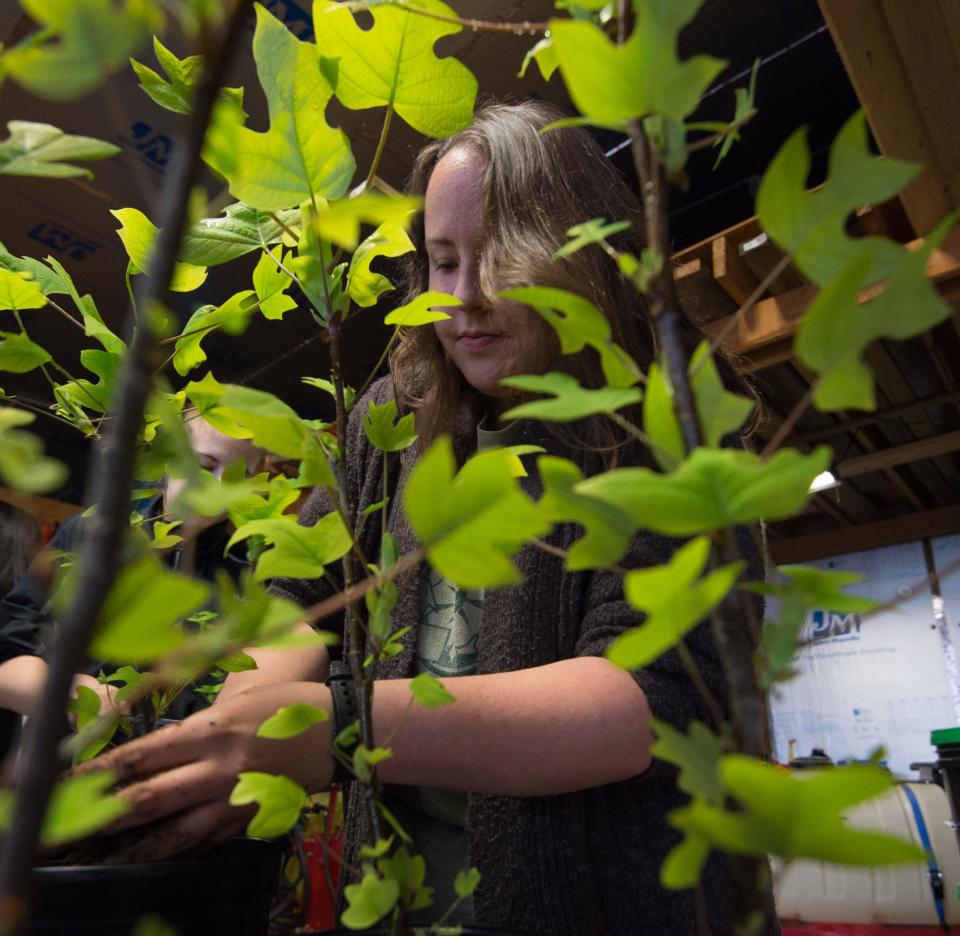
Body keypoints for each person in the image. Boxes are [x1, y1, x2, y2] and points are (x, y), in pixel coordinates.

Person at [84, 102, 761, 935]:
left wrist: (339, 731)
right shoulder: (392, 418)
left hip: (600, 905)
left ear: (587, 254)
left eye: (503, 259)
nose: (465, 298)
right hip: (403, 904)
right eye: (442, 262)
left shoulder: (674, 423)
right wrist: (225, 734)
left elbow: (643, 704)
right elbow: (305, 606)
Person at [0, 411, 322, 721]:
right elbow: (9, 651)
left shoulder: (254, 573)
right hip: (71, 758)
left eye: (239, 476)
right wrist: (78, 696)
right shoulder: (92, 537)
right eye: (204, 465)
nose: (217, 485)